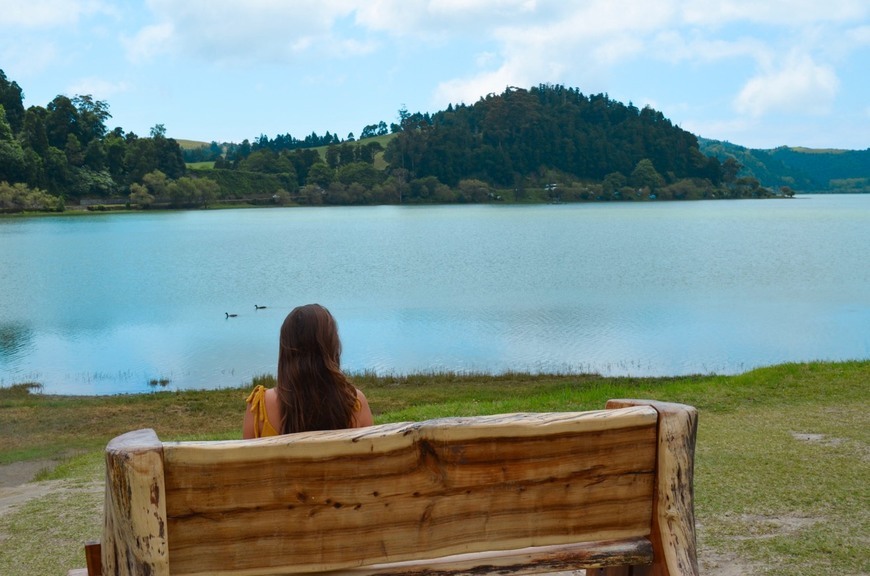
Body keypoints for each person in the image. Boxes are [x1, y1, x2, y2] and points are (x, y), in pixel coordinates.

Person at [243, 303, 373, 438]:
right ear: (330, 348)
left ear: (286, 350)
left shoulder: (260, 407)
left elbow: (246, 458)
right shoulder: (355, 404)